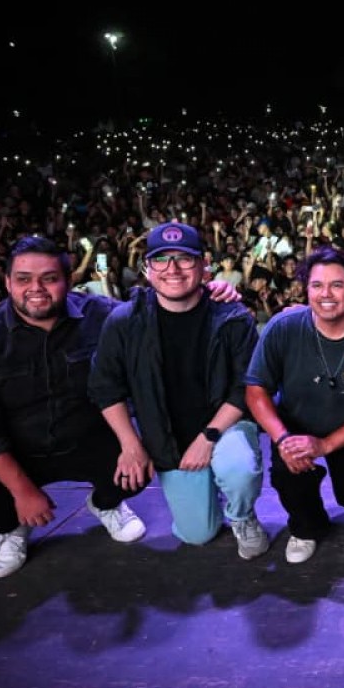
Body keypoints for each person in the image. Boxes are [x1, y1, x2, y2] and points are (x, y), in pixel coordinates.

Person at [0, 235, 149, 579]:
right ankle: (11, 526)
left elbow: (154, 313)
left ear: (68, 281)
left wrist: (216, 293)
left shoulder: (103, 316)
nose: (35, 288)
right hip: (17, 450)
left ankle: (106, 503)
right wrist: (21, 491)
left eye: (49, 278)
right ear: (7, 282)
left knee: (143, 461)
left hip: (87, 439)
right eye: (23, 279)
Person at [88, 222, 270, 560]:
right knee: (197, 535)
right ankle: (206, 493)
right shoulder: (125, 322)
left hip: (224, 425)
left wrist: (208, 438)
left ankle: (243, 516)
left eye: (185, 259)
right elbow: (105, 387)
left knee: (239, 466)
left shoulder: (231, 317)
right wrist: (130, 445)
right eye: (161, 259)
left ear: (204, 266)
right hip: (168, 440)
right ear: (147, 269)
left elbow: (247, 385)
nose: (172, 269)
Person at [244, 246, 344, 564]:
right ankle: (305, 527)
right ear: (306, 289)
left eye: (336, 285)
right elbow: (256, 389)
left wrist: (326, 445)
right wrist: (283, 439)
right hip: (296, 429)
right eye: (317, 285)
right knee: (291, 479)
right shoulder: (283, 327)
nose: (325, 294)